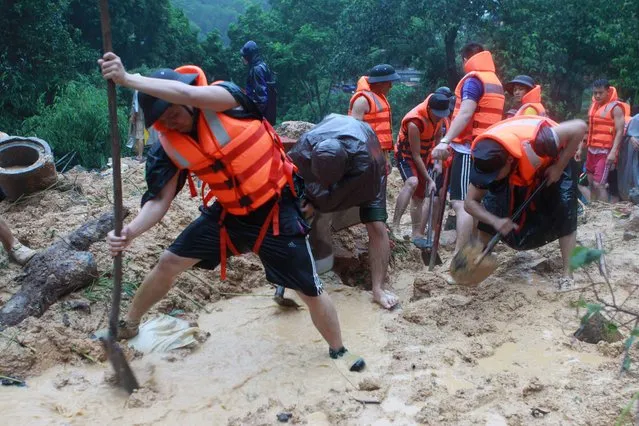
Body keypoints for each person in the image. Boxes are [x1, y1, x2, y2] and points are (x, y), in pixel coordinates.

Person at [98, 52, 365, 371]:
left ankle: (338, 350)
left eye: (172, 114)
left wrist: (128, 80)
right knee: (169, 262)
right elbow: (159, 201)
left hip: (275, 211)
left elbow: (187, 93)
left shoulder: (226, 98)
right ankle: (129, 324)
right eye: (161, 122)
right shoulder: (168, 146)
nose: (170, 124)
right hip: (229, 215)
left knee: (308, 288)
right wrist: (130, 232)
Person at [464, 116, 585, 290]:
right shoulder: (484, 158)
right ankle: (476, 264)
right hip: (518, 168)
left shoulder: (541, 140)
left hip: (553, 160)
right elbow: (470, 203)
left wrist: (559, 167)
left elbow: (579, 126)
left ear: (509, 161)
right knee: (492, 206)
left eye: (494, 175)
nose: (489, 180)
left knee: (564, 211)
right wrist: (495, 220)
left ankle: (568, 274)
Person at [431, 42, 505, 260]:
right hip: (488, 149)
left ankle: (459, 257)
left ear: (465, 60)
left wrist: (445, 140)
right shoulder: (494, 81)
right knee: (475, 202)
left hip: (468, 150)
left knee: (462, 203)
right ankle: (472, 252)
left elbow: (465, 113)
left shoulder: (474, 80)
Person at [348, 64, 401, 309]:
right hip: (362, 170)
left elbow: (384, 138)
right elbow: (352, 133)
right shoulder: (362, 101)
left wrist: (386, 161)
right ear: (379, 82)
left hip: (377, 170)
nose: (391, 85)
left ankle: (377, 287)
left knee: (377, 225)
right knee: (377, 226)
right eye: (389, 81)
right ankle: (377, 289)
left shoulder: (380, 100)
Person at [392, 93, 450, 244]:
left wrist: (437, 162)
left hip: (424, 155)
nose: (439, 118)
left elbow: (438, 139)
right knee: (412, 182)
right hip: (407, 155)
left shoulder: (439, 116)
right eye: (437, 114)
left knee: (419, 196)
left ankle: (416, 233)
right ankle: (395, 226)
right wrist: (430, 179)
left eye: (442, 115)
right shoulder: (415, 122)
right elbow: (415, 155)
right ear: (429, 108)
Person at [576, 79, 629, 202]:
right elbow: (588, 129)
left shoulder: (616, 108)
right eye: (595, 93)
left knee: (599, 184)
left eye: (600, 92)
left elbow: (620, 131)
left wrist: (613, 152)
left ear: (608, 92)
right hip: (591, 150)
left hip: (605, 152)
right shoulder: (594, 106)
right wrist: (579, 148)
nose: (597, 95)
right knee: (589, 182)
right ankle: (594, 209)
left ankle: (602, 213)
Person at [240, 40, 277, 125]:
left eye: (244, 56)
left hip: (261, 115)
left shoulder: (257, 70)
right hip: (269, 112)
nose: (242, 58)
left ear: (249, 56)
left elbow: (261, 98)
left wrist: (254, 117)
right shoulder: (263, 65)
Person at [127, 90, 147, 161]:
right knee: (141, 136)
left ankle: (140, 156)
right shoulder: (146, 90)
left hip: (139, 116)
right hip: (145, 115)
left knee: (139, 136)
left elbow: (135, 106)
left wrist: (133, 116)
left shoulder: (137, 91)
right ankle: (139, 154)